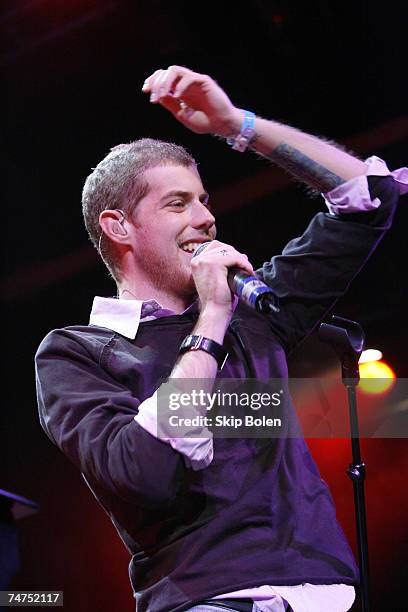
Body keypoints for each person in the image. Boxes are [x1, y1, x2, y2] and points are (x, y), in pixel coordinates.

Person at [35, 66, 406, 612]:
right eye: (178, 203)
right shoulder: (79, 352)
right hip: (212, 600)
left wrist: (239, 124)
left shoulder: (255, 313)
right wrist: (210, 319)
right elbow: (148, 476)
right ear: (119, 228)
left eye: (205, 200)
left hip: (325, 596)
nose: (207, 218)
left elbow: (369, 196)